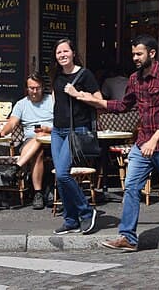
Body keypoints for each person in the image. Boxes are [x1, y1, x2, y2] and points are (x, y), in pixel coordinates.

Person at [71, 34, 159, 253]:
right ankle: (127, 237)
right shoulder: (134, 79)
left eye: (139, 53)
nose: (135, 57)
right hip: (143, 143)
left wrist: (155, 140)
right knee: (131, 188)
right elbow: (124, 105)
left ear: (151, 53)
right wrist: (94, 101)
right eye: (133, 54)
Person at [49, 38, 102, 235]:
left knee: (63, 173)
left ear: (73, 53)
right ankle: (70, 220)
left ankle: (86, 212)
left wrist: (77, 93)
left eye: (65, 51)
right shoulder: (55, 75)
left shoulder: (84, 75)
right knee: (60, 177)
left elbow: (99, 101)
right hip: (57, 131)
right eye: (58, 53)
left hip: (77, 131)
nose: (62, 55)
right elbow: (56, 103)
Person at [0, 73, 54, 209]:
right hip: (30, 141)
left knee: (40, 138)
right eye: (31, 88)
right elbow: (12, 123)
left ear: (43, 87)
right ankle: (38, 194)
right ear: (27, 89)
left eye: (37, 88)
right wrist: (3, 131)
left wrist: (47, 129)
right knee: (38, 149)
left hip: (53, 139)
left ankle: (17, 169)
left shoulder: (52, 100)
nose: (34, 91)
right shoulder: (21, 104)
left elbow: (62, 123)